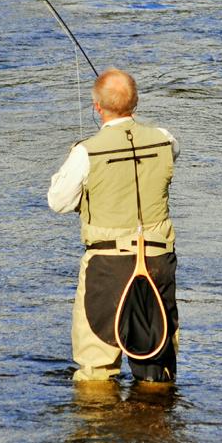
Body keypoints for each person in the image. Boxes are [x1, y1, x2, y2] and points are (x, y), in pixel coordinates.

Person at [47, 68, 180, 383]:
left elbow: (58, 201)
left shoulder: (85, 153)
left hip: (108, 268)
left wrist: (77, 158)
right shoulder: (165, 139)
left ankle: (103, 428)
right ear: (136, 103)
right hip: (158, 261)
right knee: (157, 365)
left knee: (97, 370)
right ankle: (157, 426)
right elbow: (170, 156)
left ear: (97, 107)